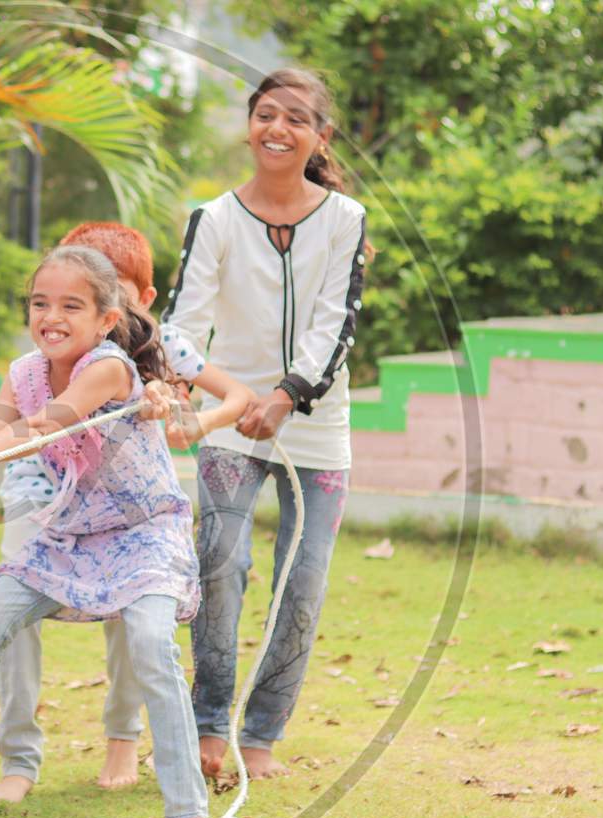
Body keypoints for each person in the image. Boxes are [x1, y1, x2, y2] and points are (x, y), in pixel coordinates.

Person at [0, 245, 218, 818]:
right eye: (41, 303)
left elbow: (48, 423)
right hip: (71, 533)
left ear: (105, 318)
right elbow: (1, 431)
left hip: (145, 531)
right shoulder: (23, 372)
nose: (52, 315)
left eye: (72, 305)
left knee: (151, 642)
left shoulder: (110, 367)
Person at [0, 223, 251, 803]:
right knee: (9, 615)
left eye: (112, 285)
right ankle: (18, 760)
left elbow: (232, 397)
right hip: (41, 492)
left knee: (134, 623)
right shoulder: (43, 357)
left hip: (128, 507)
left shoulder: (159, 345)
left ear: (134, 300)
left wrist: (190, 422)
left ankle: (121, 740)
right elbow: (23, 419)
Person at [163, 66, 369, 780]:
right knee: (222, 563)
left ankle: (262, 737)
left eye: (296, 118)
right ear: (249, 122)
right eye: (266, 114)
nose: (278, 129)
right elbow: (178, 334)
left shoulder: (346, 221)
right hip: (228, 421)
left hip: (316, 427)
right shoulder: (215, 219)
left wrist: (284, 396)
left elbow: (336, 329)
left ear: (320, 135)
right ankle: (208, 727)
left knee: (302, 581)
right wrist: (235, 394)